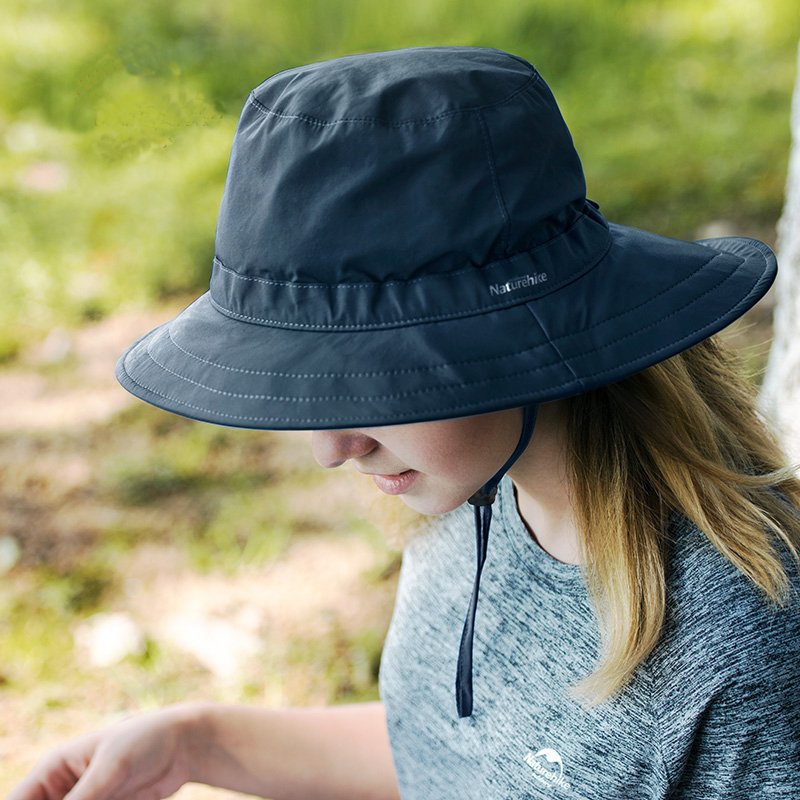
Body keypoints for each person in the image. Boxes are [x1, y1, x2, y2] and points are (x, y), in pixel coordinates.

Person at [10, 46, 800, 800]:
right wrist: (195, 742)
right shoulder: (472, 487)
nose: (333, 450)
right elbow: (464, 756)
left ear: (522, 337)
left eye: (375, 381)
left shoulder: (736, 652)